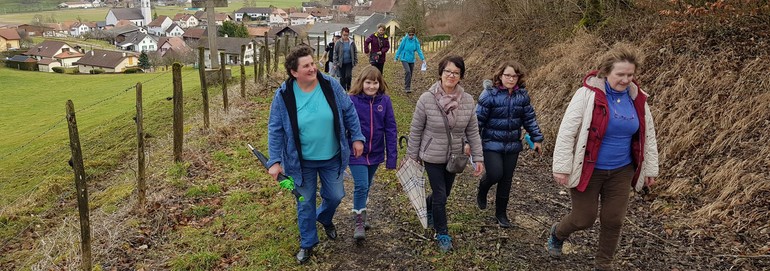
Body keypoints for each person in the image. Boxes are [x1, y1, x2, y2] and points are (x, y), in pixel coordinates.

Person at [547, 45, 659, 270]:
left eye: (630, 74)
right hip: (588, 167)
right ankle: (558, 233)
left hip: (622, 169)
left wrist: (650, 170)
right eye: (620, 74)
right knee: (583, 218)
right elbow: (568, 130)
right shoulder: (587, 94)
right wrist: (561, 166)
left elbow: (648, 135)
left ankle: (603, 264)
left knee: (613, 219)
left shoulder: (637, 98)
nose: (626, 80)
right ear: (606, 72)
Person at [266, 45, 365, 264]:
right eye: (306, 66)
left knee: (336, 195)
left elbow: (349, 111)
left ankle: (324, 217)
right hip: (300, 163)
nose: (313, 68)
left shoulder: (330, 85)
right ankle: (307, 243)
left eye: (312, 64)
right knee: (305, 201)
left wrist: (357, 136)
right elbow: (275, 128)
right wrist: (274, 161)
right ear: (294, 72)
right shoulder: (284, 94)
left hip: (332, 157)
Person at [406, 55, 484, 253]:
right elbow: (416, 129)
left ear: (460, 76)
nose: (451, 75)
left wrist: (478, 157)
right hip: (431, 154)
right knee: (441, 194)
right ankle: (442, 233)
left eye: (456, 73)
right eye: (448, 71)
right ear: (441, 73)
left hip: (454, 156)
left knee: (444, 193)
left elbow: (473, 131)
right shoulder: (426, 99)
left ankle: (428, 206)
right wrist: (412, 157)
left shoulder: (467, 100)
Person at [475, 61, 544, 228]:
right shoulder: (489, 95)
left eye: (514, 76)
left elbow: (529, 119)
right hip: (491, 142)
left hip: (512, 144)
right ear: (500, 76)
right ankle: (483, 188)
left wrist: (536, 138)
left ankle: (501, 213)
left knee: (506, 180)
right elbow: (477, 120)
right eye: (507, 75)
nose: (511, 79)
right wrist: (471, 142)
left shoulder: (522, 96)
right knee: (495, 174)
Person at [347, 65, 398, 240]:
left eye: (375, 83)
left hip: (375, 152)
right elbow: (344, 126)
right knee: (361, 185)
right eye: (368, 82)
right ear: (361, 82)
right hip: (356, 153)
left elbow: (391, 129)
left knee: (367, 186)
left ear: (380, 83)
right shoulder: (352, 100)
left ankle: (361, 212)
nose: (371, 86)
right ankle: (359, 221)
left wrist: (392, 158)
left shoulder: (384, 102)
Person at [393, 27, 425, 93]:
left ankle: (408, 87)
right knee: (408, 71)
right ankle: (407, 88)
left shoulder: (416, 41)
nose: (411, 36)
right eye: (409, 35)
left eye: (412, 35)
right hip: (404, 58)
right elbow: (400, 48)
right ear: (407, 34)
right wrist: (396, 58)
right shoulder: (405, 39)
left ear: (414, 34)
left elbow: (419, 50)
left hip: (412, 59)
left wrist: (423, 59)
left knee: (410, 74)